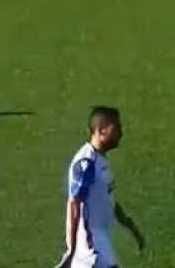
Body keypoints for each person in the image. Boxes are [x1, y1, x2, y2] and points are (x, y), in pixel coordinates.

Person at [56, 107, 146, 268]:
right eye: (116, 128)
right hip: (89, 246)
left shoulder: (99, 160)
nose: (121, 133)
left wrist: (129, 225)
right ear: (101, 130)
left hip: (100, 242)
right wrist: (71, 249)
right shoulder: (86, 163)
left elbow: (105, 197)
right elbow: (74, 204)